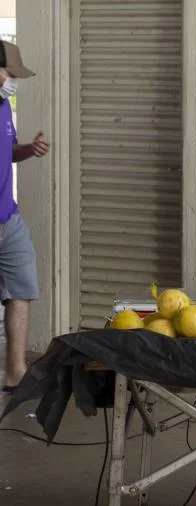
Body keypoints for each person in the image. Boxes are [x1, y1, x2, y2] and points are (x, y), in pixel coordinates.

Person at [0, 41, 50, 395]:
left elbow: (8, 151)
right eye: (9, 73)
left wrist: (29, 149)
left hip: (8, 216)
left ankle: (16, 373)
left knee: (22, 284)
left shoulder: (3, 106)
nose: (13, 81)